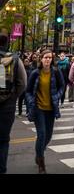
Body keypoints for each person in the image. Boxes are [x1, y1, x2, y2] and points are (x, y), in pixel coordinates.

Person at [26, 49, 65, 173]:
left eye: (49, 58)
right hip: (38, 108)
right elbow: (28, 90)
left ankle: (39, 151)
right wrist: (31, 101)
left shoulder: (56, 72)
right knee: (42, 134)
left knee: (48, 136)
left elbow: (62, 86)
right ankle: (41, 162)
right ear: (41, 59)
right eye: (45, 57)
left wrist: (57, 96)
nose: (48, 60)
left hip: (51, 109)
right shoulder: (35, 73)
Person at [0, 33, 27, 174]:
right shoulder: (15, 59)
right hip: (8, 105)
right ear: (7, 43)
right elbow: (23, 83)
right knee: (4, 140)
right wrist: (14, 96)